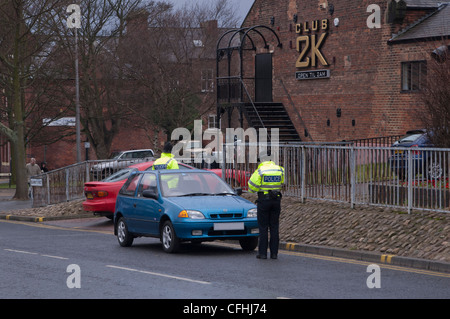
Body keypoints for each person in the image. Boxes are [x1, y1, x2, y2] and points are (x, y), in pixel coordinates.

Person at [248, 154, 284, 260]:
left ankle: (262, 253)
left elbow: (252, 186)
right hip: (276, 200)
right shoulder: (280, 169)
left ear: (262, 160)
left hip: (264, 200)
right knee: (274, 227)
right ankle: (274, 254)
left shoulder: (260, 170)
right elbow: (282, 182)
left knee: (263, 228)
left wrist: (258, 189)